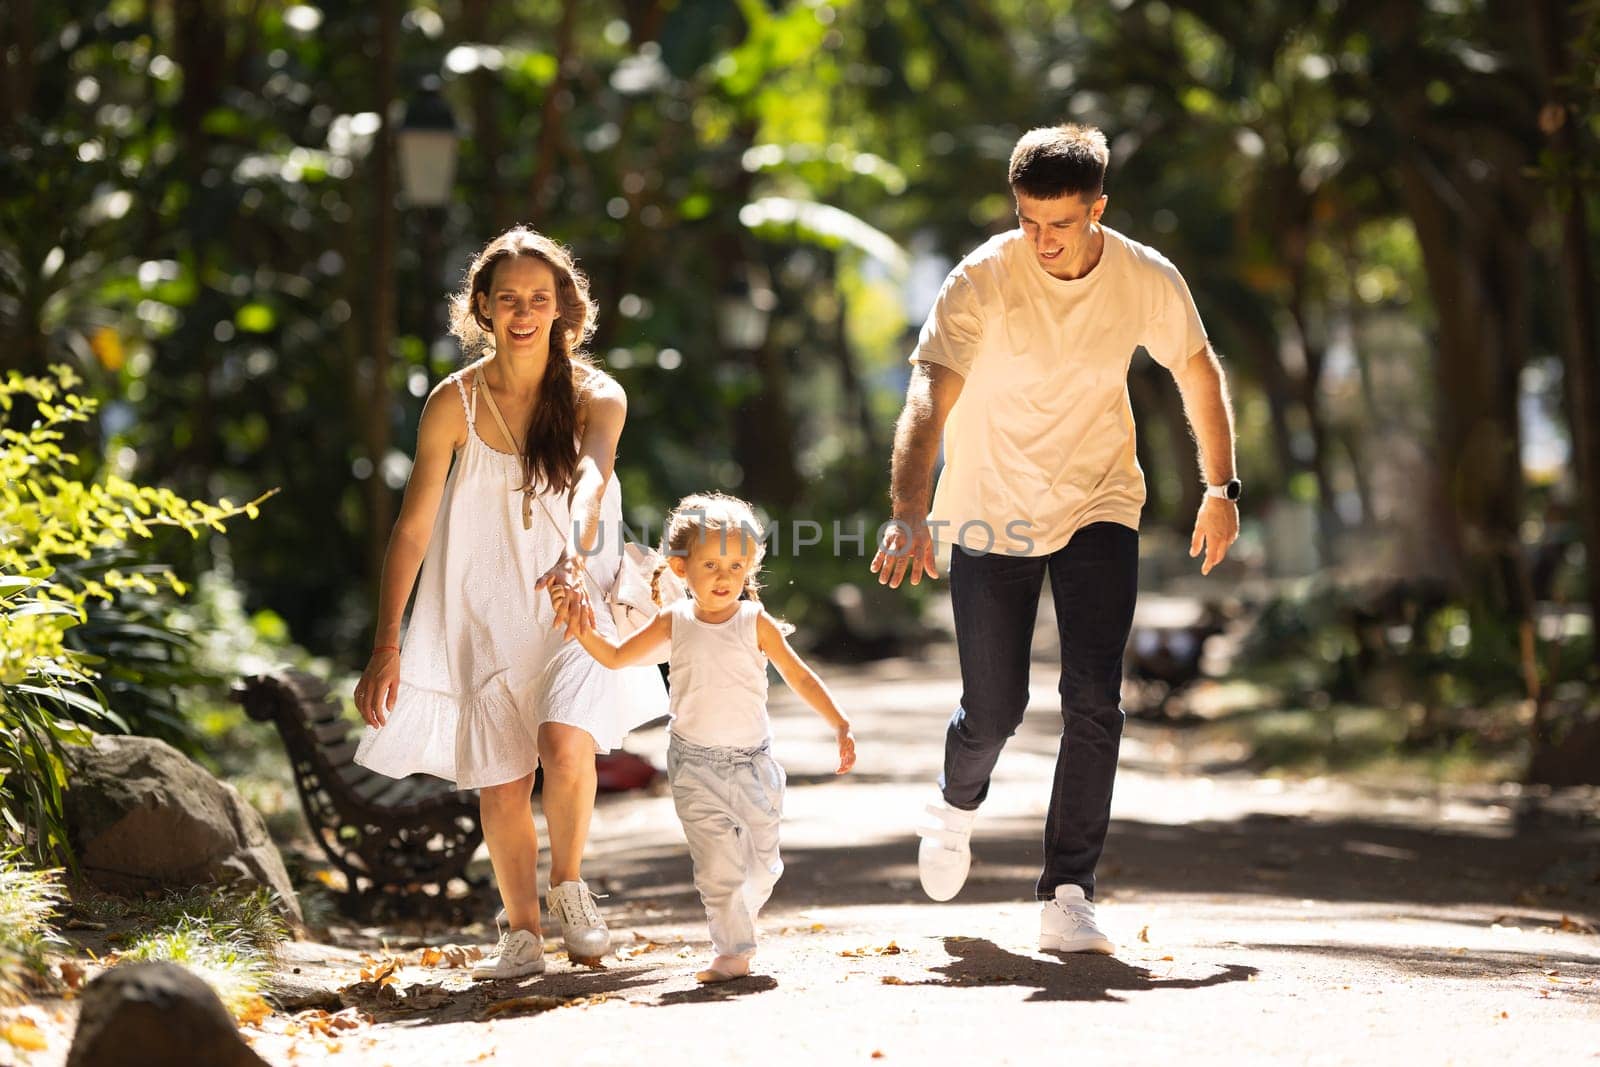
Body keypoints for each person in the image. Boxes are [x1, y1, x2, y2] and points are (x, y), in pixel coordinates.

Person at [871, 124, 1239, 955]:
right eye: (1029, 220)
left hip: (1098, 498)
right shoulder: (982, 278)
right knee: (996, 709)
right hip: (991, 505)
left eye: (1061, 224)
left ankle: (1068, 891)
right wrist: (908, 505)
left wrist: (1219, 488)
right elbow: (929, 393)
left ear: (1098, 209)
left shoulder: (1145, 276)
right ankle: (955, 804)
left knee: (1094, 698)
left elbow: (1197, 368)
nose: (1041, 240)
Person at [352, 226, 666, 979]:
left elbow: (593, 478)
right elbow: (413, 528)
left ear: (564, 308)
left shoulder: (598, 394)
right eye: (508, 299)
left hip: (571, 603)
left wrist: (573, 548)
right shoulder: (452, 403)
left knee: (565, 747)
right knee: (499, 780)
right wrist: (386, 642)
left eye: (539, 298)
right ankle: (521, 932)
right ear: (483, 309)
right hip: (482, 609)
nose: (524, 312)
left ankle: (569, 889)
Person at [549, 493, 856, 983]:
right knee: (717, 871)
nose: (723, 577)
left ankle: (740, 911)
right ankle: (731, 950)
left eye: (736, 565)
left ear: (750, 568)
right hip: (693, 766)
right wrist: (578, 621)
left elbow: (798, 676)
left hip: (753, 765)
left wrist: (838, 722)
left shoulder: (755, 622)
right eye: (711, 564)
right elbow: (613, 656)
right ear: (679, 567)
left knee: (762, 867)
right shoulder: (675, 621)